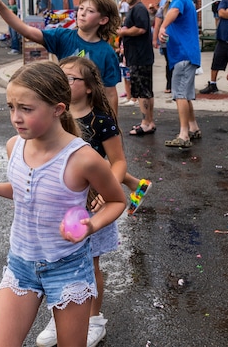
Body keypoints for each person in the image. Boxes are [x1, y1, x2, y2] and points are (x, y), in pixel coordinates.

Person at [0, 61, 127, 347]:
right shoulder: (15, 146)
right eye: (11, 107)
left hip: (68, 268)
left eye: (26, 109)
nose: (16, 117)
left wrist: (90, 225)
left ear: (58, 109)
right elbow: (27, 191)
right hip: (20, 264)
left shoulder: (82, 158)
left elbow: (116, 200)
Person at [35, 57, 150, 347]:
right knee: (58, 260)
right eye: (60, 76)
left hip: (91, 207)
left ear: (87, 88)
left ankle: (93, 320)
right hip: (61, 201)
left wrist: (104, 191)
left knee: (89, 264)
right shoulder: (55, 115)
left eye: (71, 78)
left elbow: (118, 161)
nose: (64, 81)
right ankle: (61, 313)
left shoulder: (101, 120)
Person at [0, 0, 122, 114]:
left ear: (103, 20)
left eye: (90, 11)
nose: (82, 13)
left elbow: (110, 93)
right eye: (81, 8)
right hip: (61, 112)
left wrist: (113, 128)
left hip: (91, 116)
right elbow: (26, 31)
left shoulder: (107, 52)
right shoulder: (62, 36)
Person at [158, 0, 202, 148]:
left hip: (183, 55)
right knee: (185, 94)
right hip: (186, 54)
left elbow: (174, 12)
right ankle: (193, 127)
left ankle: (184, 135)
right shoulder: (185, 1)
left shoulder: (180, 0)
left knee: (180, 95)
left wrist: (162, 26)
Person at [116, 0, 156, 135]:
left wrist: (123, 33)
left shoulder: (139, 8)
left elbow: (141, 29)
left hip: (140, 57)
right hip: (137, 56)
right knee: (146, 91)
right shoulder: (132, 10)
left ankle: (146, 123)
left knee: (141, 92)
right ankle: (149, 121)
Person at [152, 0, 173, 94]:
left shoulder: (180, 5)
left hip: (177, 40)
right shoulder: (162, 8)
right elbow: (157, 24)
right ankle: (169, 85)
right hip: (166, 39)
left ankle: (175, 84)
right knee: (169, 62)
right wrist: (155, 39)